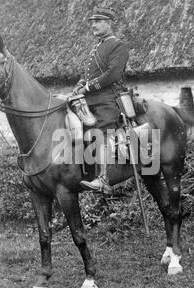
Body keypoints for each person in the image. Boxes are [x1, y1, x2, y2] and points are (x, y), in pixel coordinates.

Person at [73, 6, 130, 193]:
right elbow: (87, 73)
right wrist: (80, 84)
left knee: (104, 131)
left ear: (108, 23)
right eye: (92, 22)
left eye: (97, 22)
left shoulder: (118, 46)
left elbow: (113, 74)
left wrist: (88, 87)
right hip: (90, 100)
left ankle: (104, 180)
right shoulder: (96, 47)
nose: (93, 26)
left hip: (109, 98)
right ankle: (78, 173)